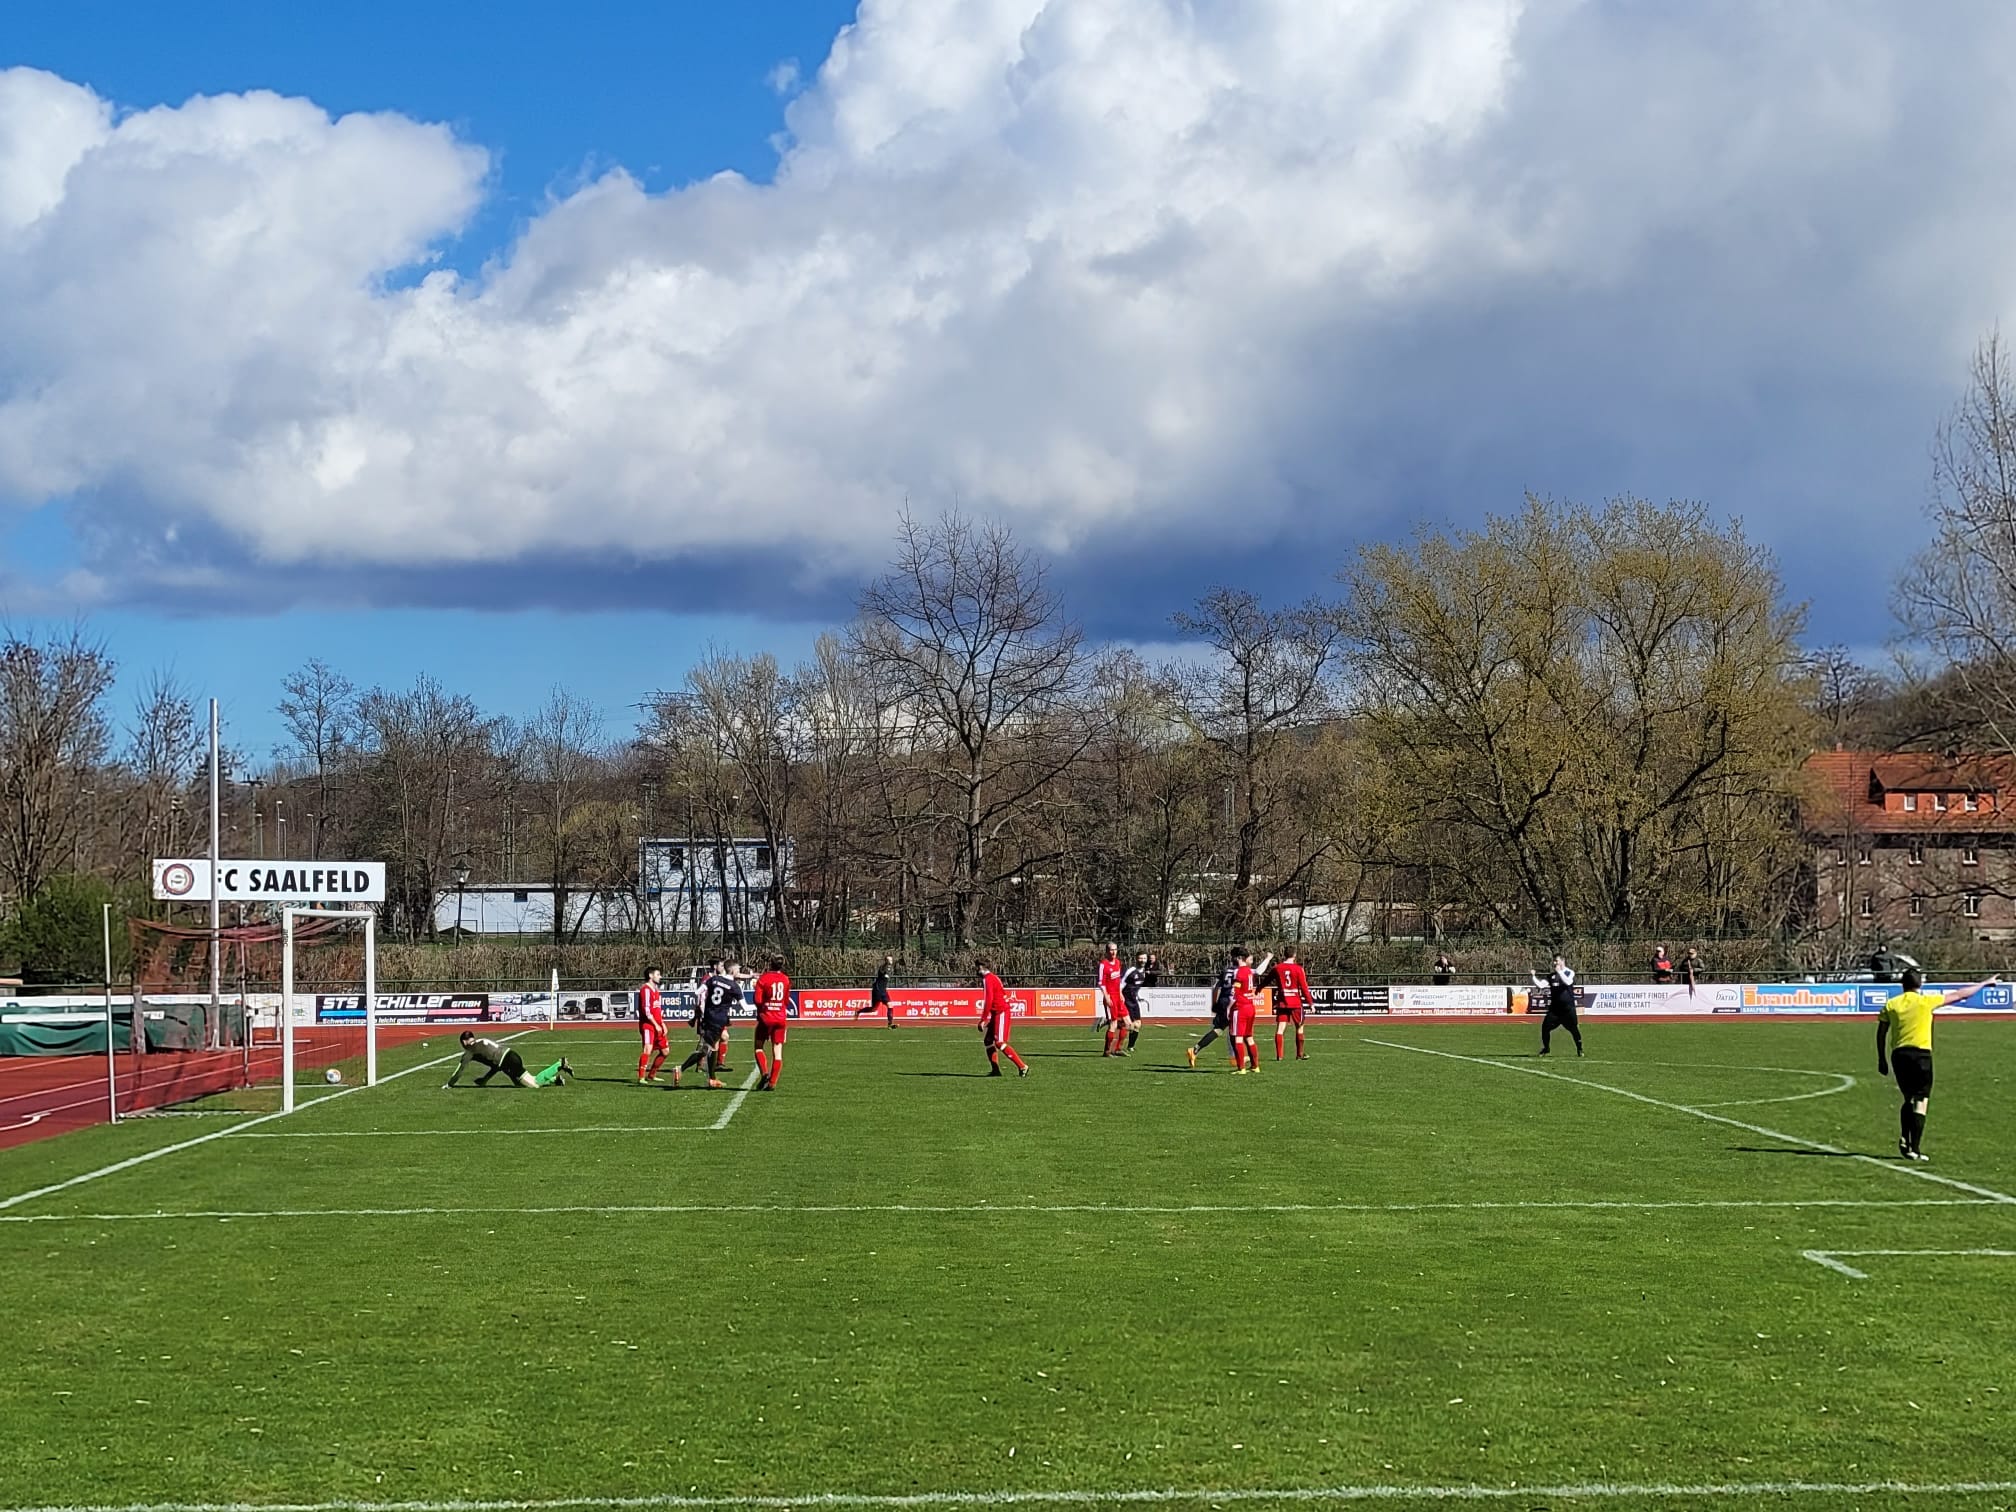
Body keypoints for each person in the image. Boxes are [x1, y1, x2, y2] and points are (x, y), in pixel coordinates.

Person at [1877, 967, 1999, 1162]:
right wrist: (1985, 983)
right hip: (1921, 1054)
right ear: (1920, 985)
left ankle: (1904, 1136)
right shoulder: (1926, 1001)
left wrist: (1881, 1058)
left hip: (1899, 1055)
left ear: (1902, 985)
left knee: (1908, 1097)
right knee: (1921, 1100)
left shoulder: (1891, 1004)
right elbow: (1959, 994)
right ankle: (1914, 1148)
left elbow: (1881, 1032)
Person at [676, 959, 740, 1089]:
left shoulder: (716, 980)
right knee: (705, 1048)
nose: (722, 967)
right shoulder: (713, 979)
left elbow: (698, 992)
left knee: (716, 1044)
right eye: (720, 965)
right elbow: (700, 995)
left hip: (712, 1016)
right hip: (713, 1017)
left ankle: (712, 1078)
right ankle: (681, 1068)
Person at [444, 1033, 572, 1089]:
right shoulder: (481, 1042)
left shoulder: (470, 1050)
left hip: (508, 1062)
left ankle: (559, 1064)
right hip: (510, 1056)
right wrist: (485, 1079)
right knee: (521, 1085)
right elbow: (496, 1065)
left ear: (464, 1042)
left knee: (534, 1084)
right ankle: (555, 1080)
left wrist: (449, 1085)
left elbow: (459, 1071)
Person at [976, 958, 1029, 1077]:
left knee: (1000, 1042)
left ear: (981, 967)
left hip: (1001, 1012)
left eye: (977, 967)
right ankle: (995, 1071)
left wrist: (983, 1019)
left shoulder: (988, 979)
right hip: (996, 1013)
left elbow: (988, 999)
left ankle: (1022, 1066)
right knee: (988, 1041)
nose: (976, 970)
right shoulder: (993, 978)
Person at [1187, 953, 1236, 1070]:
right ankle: (1234, 1057)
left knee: (1220, 1029)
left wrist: (1214, 1002)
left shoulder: (1225, 971)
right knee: (1232, 1030)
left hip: (1222, 1001)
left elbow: (1215, 987)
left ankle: (1195, 1049)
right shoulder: (1240, 971)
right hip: (1231, 1002)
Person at [751, 954, 792, 1091]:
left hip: (766, 1017)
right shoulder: (785, 979)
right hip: (780, 1018)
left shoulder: (764, 979)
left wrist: (763, 1008)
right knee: (778, 1052)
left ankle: (764, 1073)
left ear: (770, 964)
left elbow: (757, 1000)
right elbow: (786, 1000)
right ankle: (772, 1083)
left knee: (758, 1047)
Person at [1531, 954, 1583, 1058]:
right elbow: (1541, 985)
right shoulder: (1551, 976)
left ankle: (1579, 1048)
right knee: (1545, 1028)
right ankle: (1546, 1048)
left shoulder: (1569, 972)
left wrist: (1559, 972)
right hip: (1555, 1009)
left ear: (1562, 961)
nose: (1555, 963)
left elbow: (1568, 982)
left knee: (1574, 1030)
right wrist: (1533, 976)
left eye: (1556, 961)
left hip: (1568, 1009)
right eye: (1554, 961)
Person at [1230, 947, 1272, 1074]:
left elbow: (1234, 993)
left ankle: (1241, 1068)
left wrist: (1228, 1009)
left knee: (1238, 1038)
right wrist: (1268, 959)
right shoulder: (1249, 971)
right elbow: (1259, 971)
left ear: (1238, 958)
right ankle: (1255, 1066)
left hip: (1240, 1007)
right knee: (1249, 1037)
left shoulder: (1238, 972)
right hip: (1250, 1007)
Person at [1273, 947, 1311, 1061]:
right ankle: (1299, 1054)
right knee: (1299, 1027)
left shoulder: (1277, 968)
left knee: (1280, 1029)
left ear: (1284, 954)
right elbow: (1304, 987)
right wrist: (1311, 1003)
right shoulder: (1298, 969)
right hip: (1295, 1002)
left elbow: (1267, 979)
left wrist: (1259, 988)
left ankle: (1279, 1055)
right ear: (1294, 955)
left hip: (1282, 1002)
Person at [636, 966, 670, 1084]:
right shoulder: (645, 990)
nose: (660, 976)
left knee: (665, 1051)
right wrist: (655, 1024)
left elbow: (657, 1009)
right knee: (647, 1049)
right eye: (658, 974)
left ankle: (652, 1074)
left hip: (657, 1025)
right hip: (648, 1025)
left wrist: (663, 1023)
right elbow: (646, 1010)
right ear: (650, 976)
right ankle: (641, 1077)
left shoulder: (656, 990)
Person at [1099, 942, 1130, 1057]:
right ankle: (1107, 1051)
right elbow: (1101, 983)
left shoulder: (1117, 963)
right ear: (1107, 951)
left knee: (1128, 1023)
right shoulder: (1103, 965)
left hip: (1118, 996)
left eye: (1115, 950)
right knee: (1113, 1024)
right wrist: (1106, 996)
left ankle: (1117, 1049)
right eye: (1111, 950)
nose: (1114, 952)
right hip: (1110, 997)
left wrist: (1120, 993)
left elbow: (1118, 980)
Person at [858, 954, 895, 1026]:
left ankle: (890, 1024)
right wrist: (885, 966)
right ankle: (858, 1011)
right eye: (888, 960)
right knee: (874, 1009)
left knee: (878, 1008)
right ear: (885, 961)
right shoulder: (883, 967)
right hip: (878, 990)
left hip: (883, 990)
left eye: (891, 960)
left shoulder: (890, 968)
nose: (890, 961)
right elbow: (881, 971)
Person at [1121, 951, 1147, 1052]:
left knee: (1138, 1024)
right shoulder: (1131, 970)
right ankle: (1108, 1022)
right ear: (1136, 958)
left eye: (1144, 958)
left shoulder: (1144, 972)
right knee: (1130, 1025)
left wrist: (1138, 996)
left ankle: (1130, 1046)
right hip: (1126, 999)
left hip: (1134, 1000)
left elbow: (1136, 988)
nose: (1142, 960)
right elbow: (1121, 984)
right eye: (1140, 958)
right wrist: (1119, 996)